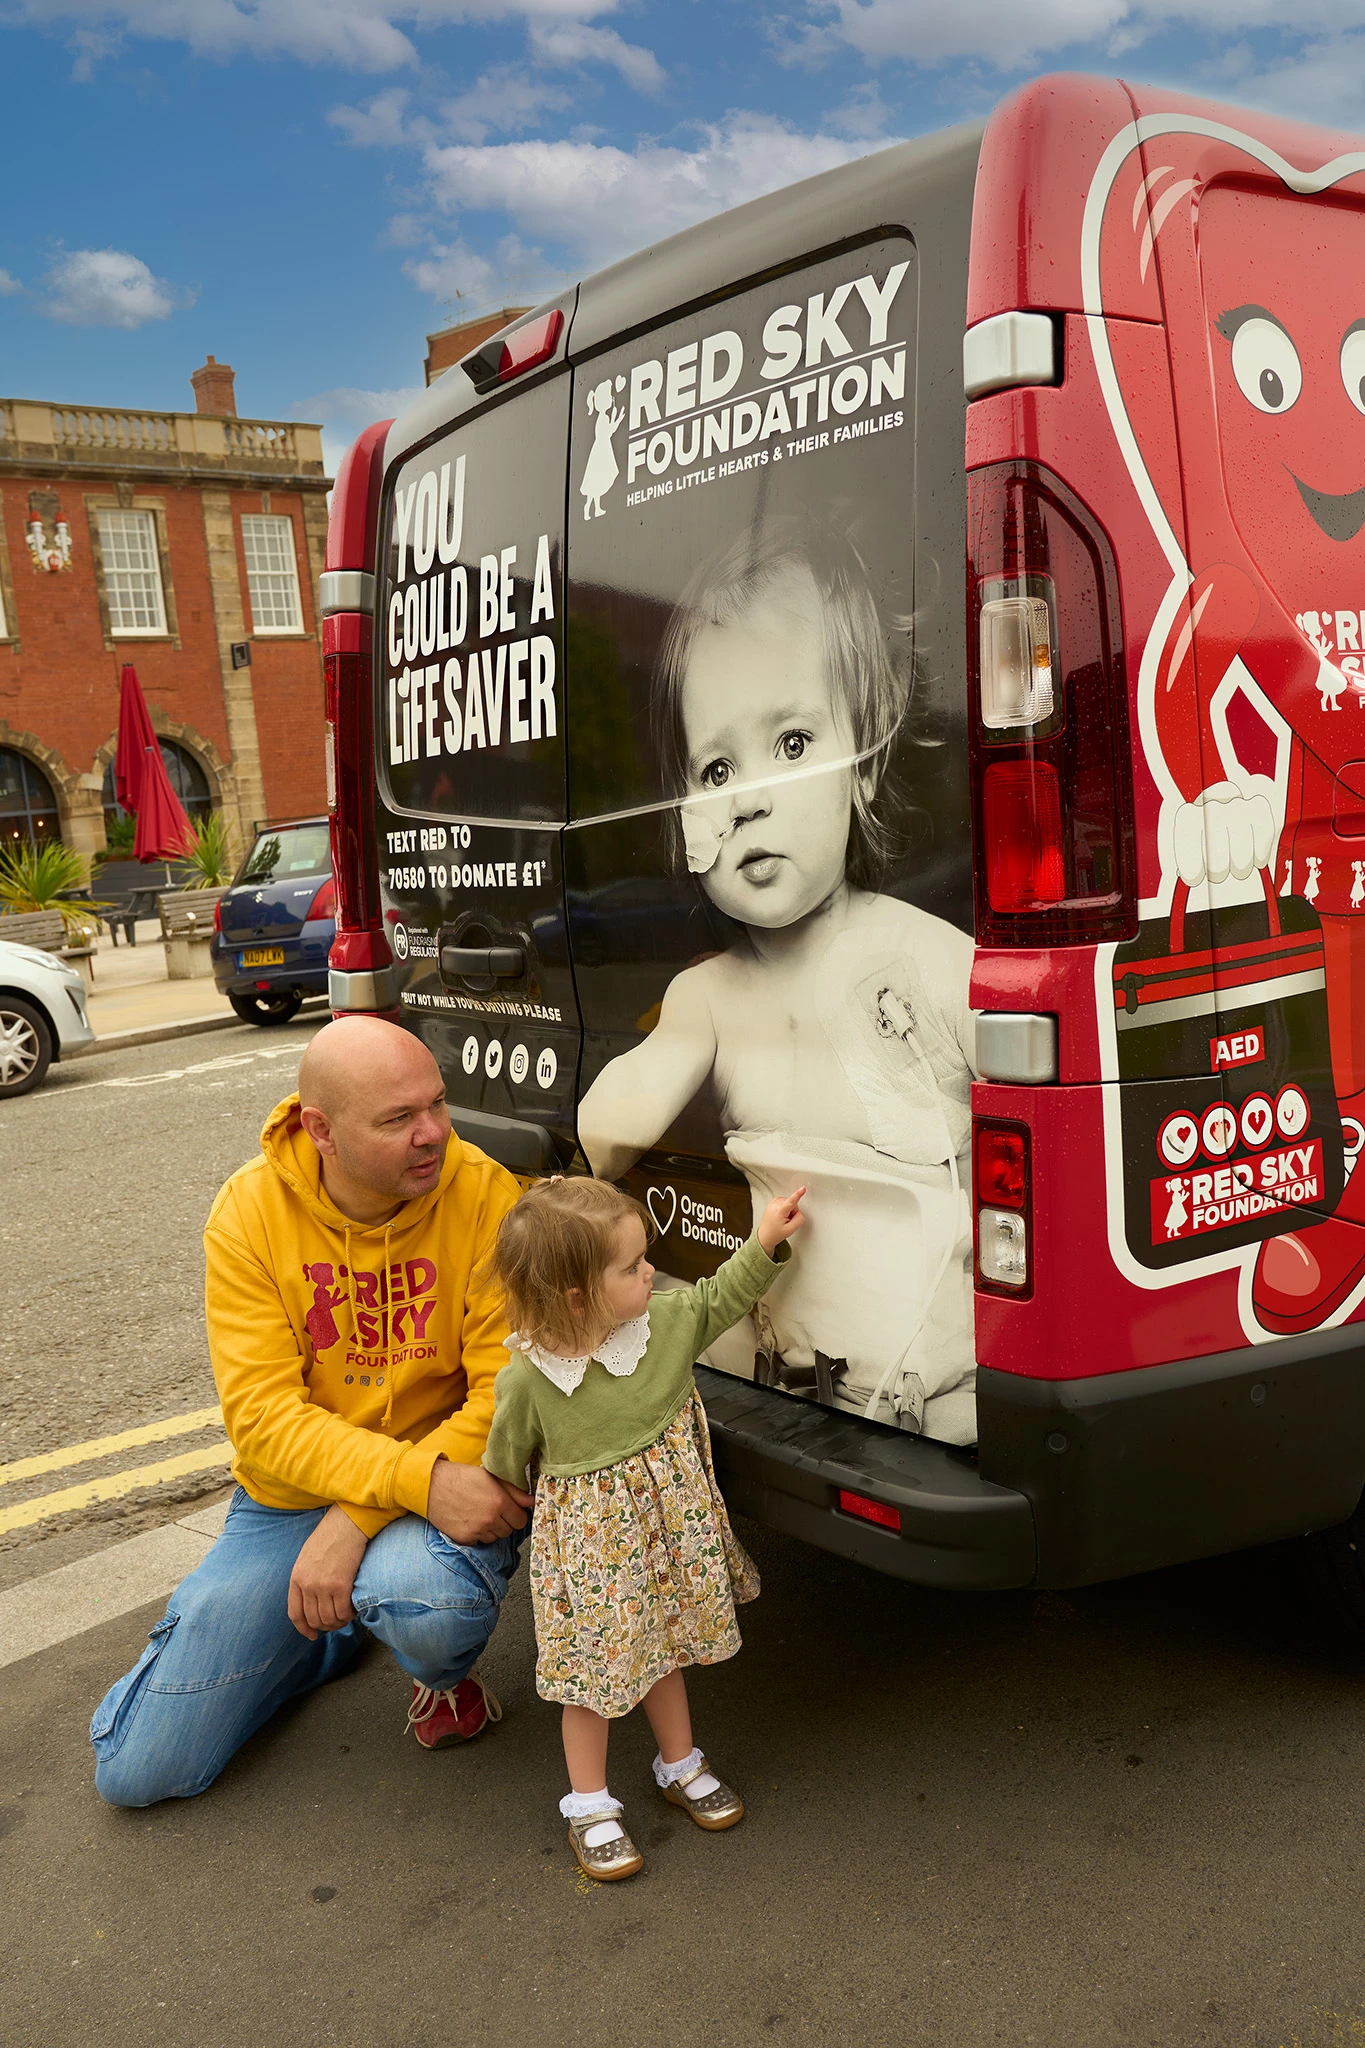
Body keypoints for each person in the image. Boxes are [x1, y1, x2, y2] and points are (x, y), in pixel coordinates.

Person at [577, 517, 978, 1443]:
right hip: (785, 1371)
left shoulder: (924, 959)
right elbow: (611, 1125)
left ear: (864, 767)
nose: (748, 795)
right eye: (716, 768)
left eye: (792, 744)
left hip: (946, 1384)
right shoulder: (710, 997)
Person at [90, 1016, 533, 1807]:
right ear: (319, 1129)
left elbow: (503, 1394)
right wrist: (400, 1485)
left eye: (435, 1103)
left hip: (436, 1483)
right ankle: (330, 1639)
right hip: (300, 1497)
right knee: (138, 1773)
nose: (432, 1133)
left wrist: (354, 1523)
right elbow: (262, 1420)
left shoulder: (485, 1193)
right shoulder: (248, 1214)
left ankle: (410, 1650)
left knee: (425, 1604)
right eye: (397, 1119)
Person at [481, 1173, 805, 1881]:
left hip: (664, 1543)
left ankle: (679, 1763)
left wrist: (764, 1241)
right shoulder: (530, 1379)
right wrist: (505, 1501)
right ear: (577, 1296)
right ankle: (590, 1803)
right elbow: (506, 1458)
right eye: (630, 1267)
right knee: (591, 1680)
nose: (649, 1270)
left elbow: (720, 1297)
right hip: (598, 1559)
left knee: (665, 1651)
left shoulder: (657, 1324)